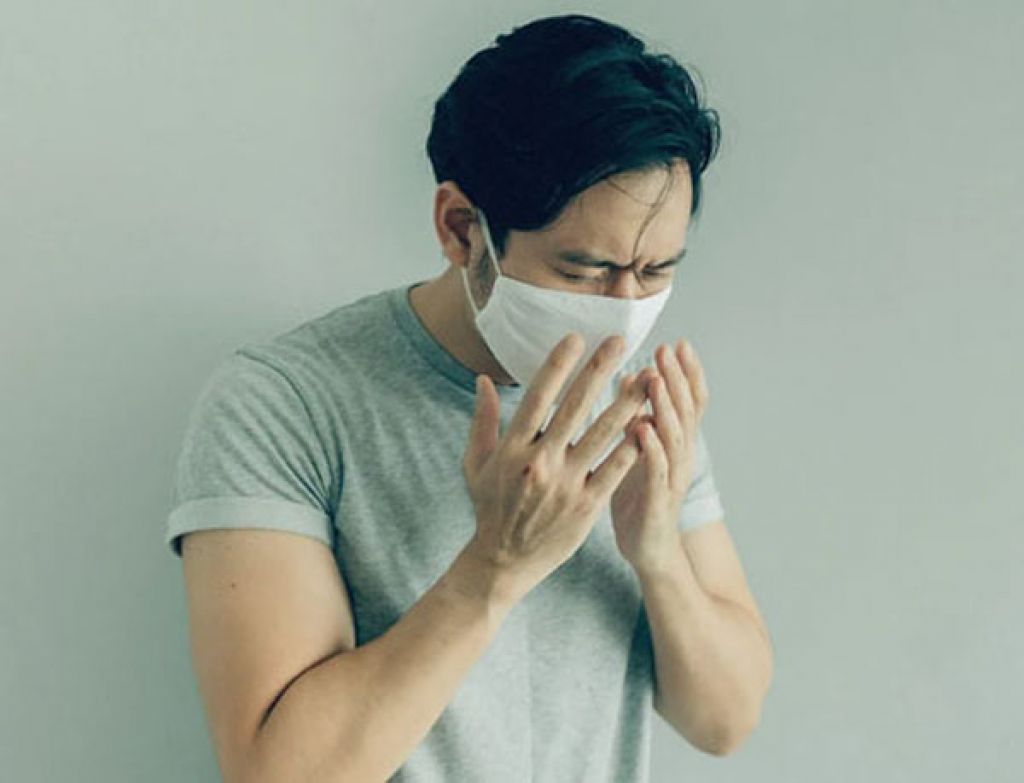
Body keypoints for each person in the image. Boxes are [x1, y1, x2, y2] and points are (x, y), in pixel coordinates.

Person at [165, 13, 772, 782]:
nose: (623, 311)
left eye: (654, 271)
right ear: (460, 229)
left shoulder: (640, 400)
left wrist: (657, 553)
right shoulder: (283, 404)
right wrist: (496, 564)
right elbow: (276, 773)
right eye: (583, 270)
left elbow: (724, 720)